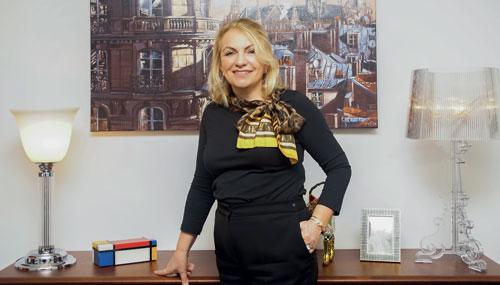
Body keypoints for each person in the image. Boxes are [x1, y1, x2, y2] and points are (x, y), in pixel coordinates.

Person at [154, 18, 351, 284]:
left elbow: (339, 167)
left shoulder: (293, 105)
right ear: (220, 64)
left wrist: (317, 223)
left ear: (266, 59)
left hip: (286, 244)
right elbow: (203, 184)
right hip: (229, 249)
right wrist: (181, 251)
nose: (240, 61)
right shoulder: (213, 114)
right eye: (230, 52)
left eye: (250, 50)